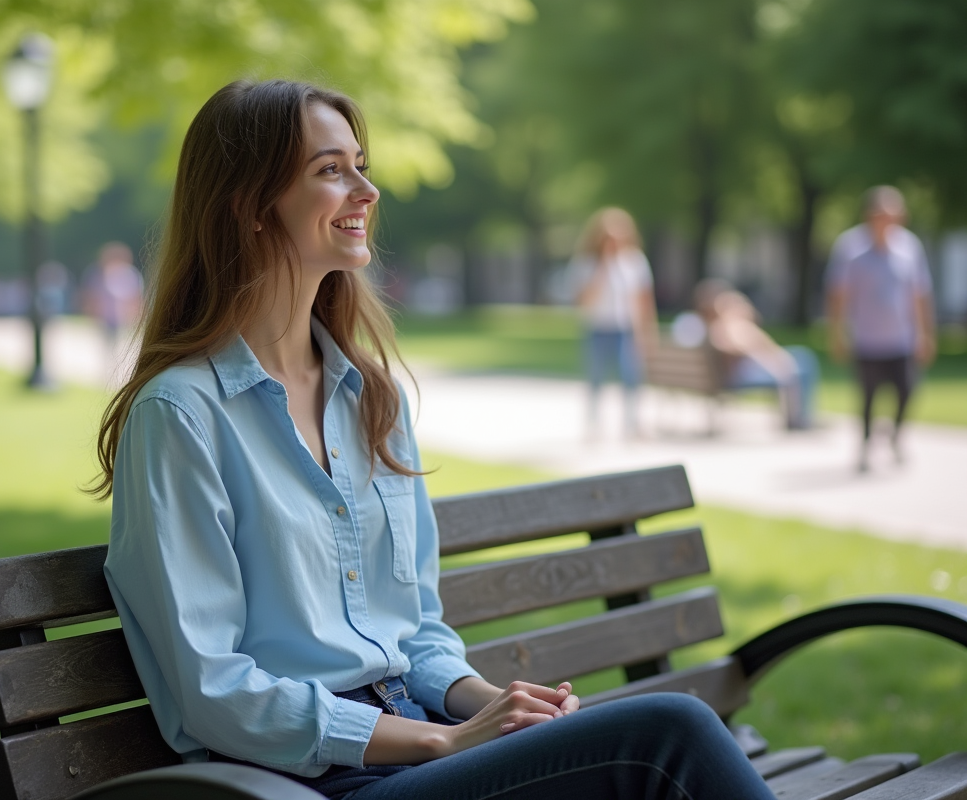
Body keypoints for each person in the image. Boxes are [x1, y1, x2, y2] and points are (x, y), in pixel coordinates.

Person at [94, 79, 775, 800]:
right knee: (670, 737)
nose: (367, 189)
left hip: (419, 754)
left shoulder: (370, 399)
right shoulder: (181, 416)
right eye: (331, 170)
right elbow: (217, 691)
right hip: (302, 784)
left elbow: (412, 630)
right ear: (248, 206)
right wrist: (441, 741)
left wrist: (492, 706)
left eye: (361, 163)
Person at [826, 186, 937, 471]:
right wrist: (837, 333)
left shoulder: (909, 246)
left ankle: (896, 437)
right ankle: (864, 446)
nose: (888, 221)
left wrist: (925, 333)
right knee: (868, 397)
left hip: (901, 337)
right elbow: (838, 294)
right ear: (869, 215)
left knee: (906, 391)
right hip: (867, 338)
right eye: (882, 214)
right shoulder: (850, 247)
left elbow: (920, 294)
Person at [566, 207, 658, 437]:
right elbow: (583, 301)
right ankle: (594, 423)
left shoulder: (634, 261)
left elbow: (644, 302)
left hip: (625, 328)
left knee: (630, 376)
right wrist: (603, 267)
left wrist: (648, 332)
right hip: (598, 327)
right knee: (596, 377)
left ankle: (632, 423)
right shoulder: (586, 263)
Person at [693, 280, 820, 431]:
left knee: (801, 357)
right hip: (740, 376)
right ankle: (799, 417)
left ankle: (799, 416)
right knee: (802, 363)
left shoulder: (714, 327)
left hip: (734, 373)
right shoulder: (730, 327)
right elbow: (744, 349)